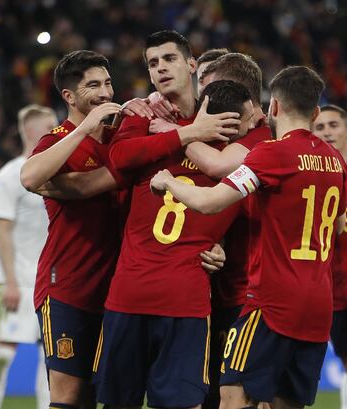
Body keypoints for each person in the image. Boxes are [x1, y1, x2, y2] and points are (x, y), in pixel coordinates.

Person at [150, 65, 346, 409]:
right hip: (319, 303)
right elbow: (339, 223)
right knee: (286, 402)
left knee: (232, 395)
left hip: (272, 301)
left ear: (273, 107)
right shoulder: (335, 160)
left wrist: (169, 181)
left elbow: (210, 203)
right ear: (316, 112)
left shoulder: (272, 153)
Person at [93, 30, 254, 409]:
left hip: (186, 298)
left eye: (169, 59)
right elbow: (120, 159)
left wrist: (224, 243)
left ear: (193, 65)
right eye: (152, 63)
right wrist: (188, 133)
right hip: (128, 292)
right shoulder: (140, 115)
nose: (161, 68)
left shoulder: (230, 124)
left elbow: (244, 185)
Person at [20, 50, 126, 409]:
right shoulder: (57, 141)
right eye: (93, 85)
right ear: (69, 96)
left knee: (102, 394)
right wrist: (85, 126)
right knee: (68, 396)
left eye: (108, 82)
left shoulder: (119, 140)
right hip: (66, 287)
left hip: (114, 292)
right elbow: (30, 176)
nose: (105, 92)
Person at [0, 104, 58, 409]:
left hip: (48, 280)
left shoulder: (55, 172)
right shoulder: (9, 176)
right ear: (32, 132)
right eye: (51, 126)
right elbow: (0, 231)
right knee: (5, 348)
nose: (57, 132)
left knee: (50, 352)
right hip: (13, 279)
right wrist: (12, 283)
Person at [313, 104, 347, 409]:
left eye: (334, 125)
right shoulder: (311, 180)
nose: (327, 132)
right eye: (320, 127)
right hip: (332, 297)